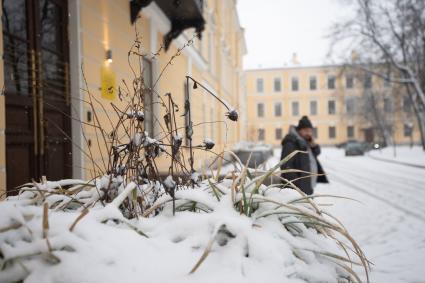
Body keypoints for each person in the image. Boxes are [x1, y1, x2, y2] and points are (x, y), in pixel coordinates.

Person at [280, 116, 328, 195]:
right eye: (306, 130)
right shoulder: (291, 143)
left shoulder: (304, 141)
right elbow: (286, 167)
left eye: (310, 131)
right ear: (299, 130)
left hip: (307, 186)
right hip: (297, 190)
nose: (309, 133)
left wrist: (314, 145)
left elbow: (316, 153)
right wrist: (298, 186)